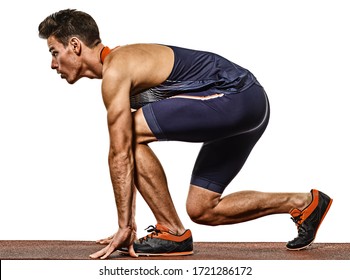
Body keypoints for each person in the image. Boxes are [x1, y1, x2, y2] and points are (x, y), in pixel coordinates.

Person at [38, 9, 333, 259]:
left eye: (54, 52)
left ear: (75, 45)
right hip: (249, 105)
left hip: (237, 96)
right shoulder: (122, 70)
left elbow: (121, 151)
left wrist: (125, 225)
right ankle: (304, 203)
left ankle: (171, 231)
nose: (53, 64)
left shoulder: (118, 68)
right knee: (203, 208)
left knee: (127, 133)